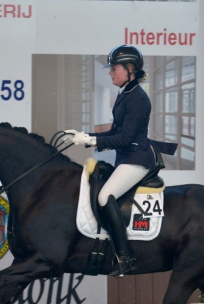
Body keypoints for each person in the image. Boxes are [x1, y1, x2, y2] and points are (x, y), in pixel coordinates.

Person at [65, 44, 155, 277]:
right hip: (126, 158)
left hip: (136, 159)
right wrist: (85, 137)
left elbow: (125, 138)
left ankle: (125, 257)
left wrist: (93, 142)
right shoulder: (125, 94)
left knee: (106, 196)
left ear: (130, 69)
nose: (110, 72)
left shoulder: (138, 98)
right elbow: (115, 131)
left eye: (114, 68)